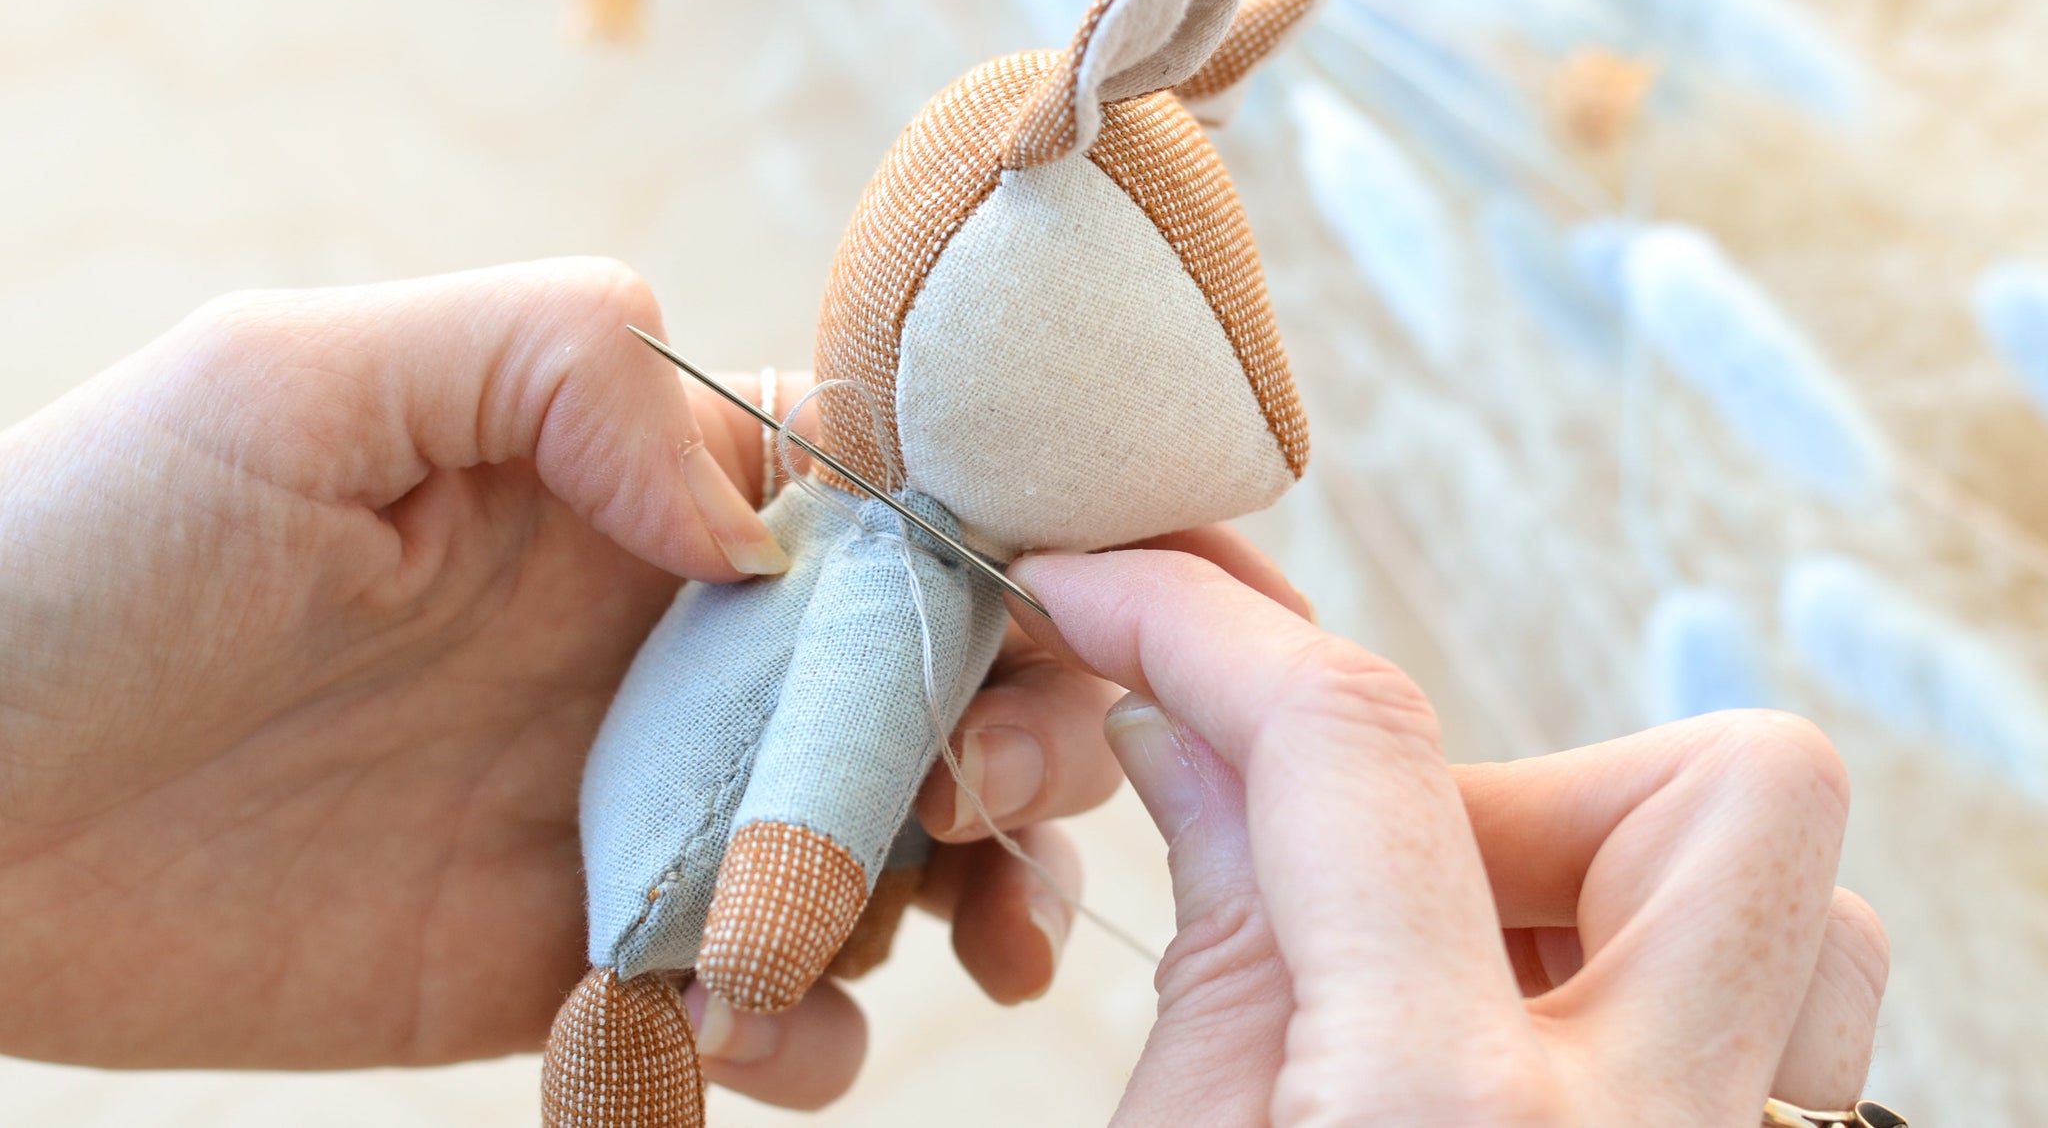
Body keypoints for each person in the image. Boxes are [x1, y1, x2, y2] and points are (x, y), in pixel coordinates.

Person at [0, 260, 1887, 1122]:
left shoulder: (903, 561)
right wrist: (783, 900)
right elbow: (820, 765)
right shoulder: (893, 570)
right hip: (671, 876)